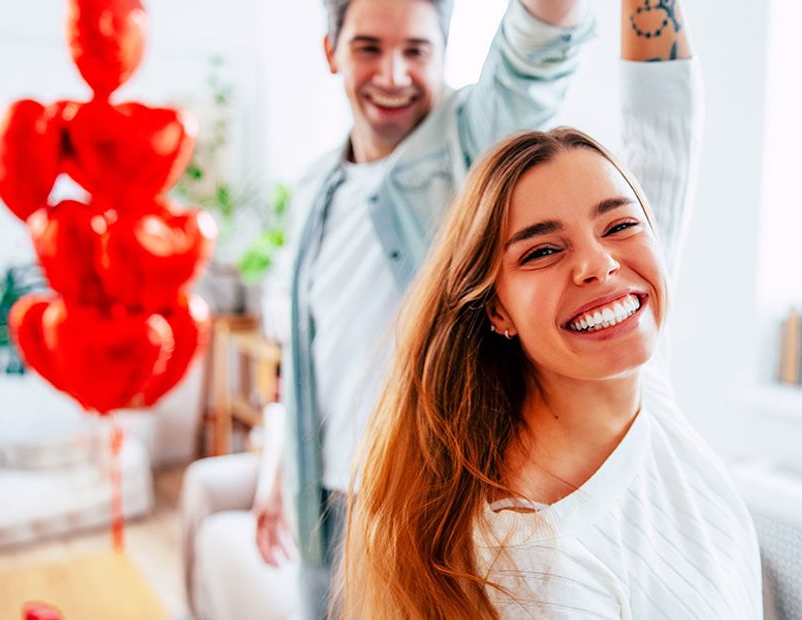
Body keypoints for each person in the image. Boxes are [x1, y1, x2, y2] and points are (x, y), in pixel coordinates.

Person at [343, 1, 764, 617]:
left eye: (619, 223)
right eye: (542, 250)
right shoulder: (536, 564)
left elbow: (664, 122)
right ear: (496, 311)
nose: (598, 264)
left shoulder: (639, 376)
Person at [183, 1, 596, 618]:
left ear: (444, 55)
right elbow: (308, 356)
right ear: (332, 52)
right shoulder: (310, 190)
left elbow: (533, 56)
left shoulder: (472, 143)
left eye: (417, 51)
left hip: (427, 500)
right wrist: (277, 471)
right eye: (369, 48)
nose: (394, 74)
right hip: (325, 504)